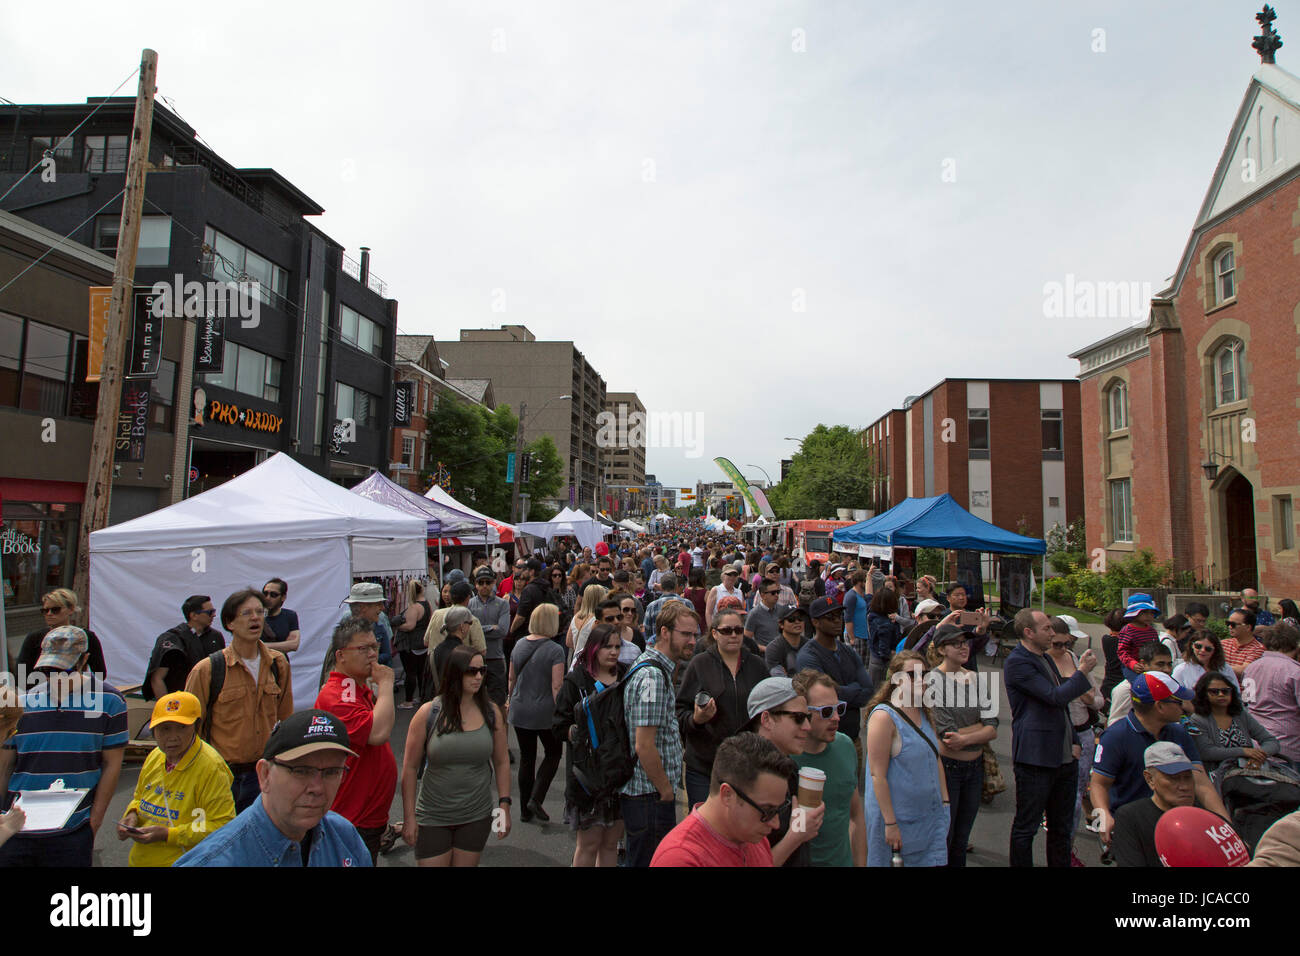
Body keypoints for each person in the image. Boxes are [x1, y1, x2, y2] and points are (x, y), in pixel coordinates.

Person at [175, 709, 371, 867]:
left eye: (331, 772)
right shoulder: (215, 860)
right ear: (264, 775)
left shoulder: (345, 837)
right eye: (301, 771)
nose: (317, 787)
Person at [0, 626, 127, 866]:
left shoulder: (110, 702)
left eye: (63, 669)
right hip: (17, 828)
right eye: (47, 669)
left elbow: (112, 764)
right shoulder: (22, 704)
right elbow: (5, 767)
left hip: (72, 831)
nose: (55, 677)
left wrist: (94, 823)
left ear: (85, 660)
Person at [185, 588, 293, 813]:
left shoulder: (277, 664)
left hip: (265, 774)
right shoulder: (207, 670)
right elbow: (190, 728)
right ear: (229, 623)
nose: (255, 618)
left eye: (260, 612)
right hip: (222, 775)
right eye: (246, 613)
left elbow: (285, 720)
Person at [401, 646, 511, 866]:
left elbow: (501, 761)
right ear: (455, 673)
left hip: (476, 814)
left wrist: (504, 807)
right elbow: (410, 768)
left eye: (482, 670)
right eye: (471, 671)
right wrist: (409, 817)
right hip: (433, 814)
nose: (478, 676)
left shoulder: (491, 713)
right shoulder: (428, 713)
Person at [1091, 672, 1229, 847]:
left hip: (1175, 826)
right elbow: (1099, 784)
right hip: (1132, 830)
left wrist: (1226, 825)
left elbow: (1201, 782)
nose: (1184, 707)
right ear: (1160, 706)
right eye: (1178, 702)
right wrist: (1104, 816)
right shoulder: (1115, 737)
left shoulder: (1179, 732)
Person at [1003, 608, 1097, 867]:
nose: (1052, 633)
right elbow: (1054, 697)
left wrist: (1075, 741)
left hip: (1064, 757)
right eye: (1046, 629)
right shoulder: (1018, 662)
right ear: (1028, 632)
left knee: (1061, 827)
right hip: (1036, 758)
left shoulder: (1046, 658)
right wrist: (1083, 671)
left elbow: (1062, 707)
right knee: (1027, 826)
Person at [620, 602, 699, 866]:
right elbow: (644, 745)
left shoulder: (657, 667)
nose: (692, 641)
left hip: (649, 794)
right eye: (685, 634)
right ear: (665, 632)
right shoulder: (653, 676)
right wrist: (665, 790)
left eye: (695, 635)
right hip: (648, 795)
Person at [314, 617, 398, 865]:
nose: (373, 654)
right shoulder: (338, 695)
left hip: (366, 817)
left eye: (375, 646)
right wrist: (386, 683)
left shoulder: (354, 687)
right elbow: (378, 732)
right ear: (340, 655)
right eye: (363, 649)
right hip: (352, 818)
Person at [117, 691, 235, 866]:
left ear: (196, 726)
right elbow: (139, 797)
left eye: (181, 727)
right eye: (164, 728)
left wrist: (168, 834)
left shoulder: (211, 767)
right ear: (153, 730)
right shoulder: (155, 756)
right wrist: (132, 814)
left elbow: (222, 825)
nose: (172, 737)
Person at [650, 733, 796, 867]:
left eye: (779, 810)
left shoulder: (753, 836)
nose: (775, 824)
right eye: (767, 811)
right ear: (728, 795)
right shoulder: (680, 859)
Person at [676, 607, 770, 808]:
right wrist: (696, 720)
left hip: (747, 765)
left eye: (738, 630)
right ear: (714, 633)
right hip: (705, 766)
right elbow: (680, 712)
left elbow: (770, 709)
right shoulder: (699, 665)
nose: (734, 635)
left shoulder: (757, 665)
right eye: (727, 630)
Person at [863, 651, 950, 866]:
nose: (922, 680)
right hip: (899, 822)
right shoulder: (884, 716)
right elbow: (877, 776)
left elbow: (935, 757)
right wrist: (890, 824)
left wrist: (945, 802)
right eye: (912, 674)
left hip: (928, 819)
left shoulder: (923, 710)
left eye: (925, 674)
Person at [553, 624, 627, 866]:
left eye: (617, 646)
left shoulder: (627, 675)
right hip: (588, 777)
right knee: (588, 845)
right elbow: (559, 724)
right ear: (594, 648)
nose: (613, 652)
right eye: (607, 646)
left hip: (619, 773)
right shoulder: (577, 680)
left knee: (610, 845)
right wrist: (579, 733)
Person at [930, 627, 998, 866]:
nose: (963, 647)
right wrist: (980, 729)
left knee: (961, 839)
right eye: (955, 643)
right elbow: (947, 733)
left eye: (965, 642)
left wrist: (968, 736)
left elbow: (993, 725)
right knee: (944, 839)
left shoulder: (976, 678)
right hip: (948, 769)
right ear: (941, 649)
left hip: (975, 769)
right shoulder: (932, 681)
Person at [792, 669, 867, 866]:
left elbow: (855, 815)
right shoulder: (785, 757)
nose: (836, 718)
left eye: (838, 709)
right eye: (826, 712)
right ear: (803, 713)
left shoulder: (845, 746)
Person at [745, 676, 823, 866]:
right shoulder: (747, 778)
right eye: (798, 718)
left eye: (808, 717)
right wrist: (796, 837)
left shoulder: (788, 767)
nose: (807, 727)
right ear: (766, 719)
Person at [1047, 615, 1105, 866]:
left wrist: (1088, 696)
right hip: (1057, 737)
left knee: (1075, 799)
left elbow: (1099, 700)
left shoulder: (1073, 659)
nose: (1063, 649)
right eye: (1057, 644)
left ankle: (1066, 851)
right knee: (1056, 798)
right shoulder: (1042, 663)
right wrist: (1080, 685)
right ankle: (1058, 849)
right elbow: (1052, 699)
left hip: (1083, 734)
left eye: (1067, 644)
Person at [796, 597, 873, 783]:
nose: (837, 620)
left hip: (853, 740)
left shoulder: (848, 651)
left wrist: (842, 691)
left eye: (839, 615)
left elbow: (868, 690)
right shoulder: (808, 656)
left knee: (848, 794)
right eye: (830, 617)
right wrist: (853, 688)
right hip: (821, 742)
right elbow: (824, 696)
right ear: (815, 622)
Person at [508, 604, 567, 823]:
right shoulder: (555, 650)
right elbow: (557, 686)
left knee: (527, 758)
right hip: (544, 711)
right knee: (553, 753)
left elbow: (512, 678)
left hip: (520, 707)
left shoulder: (519, 644)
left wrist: (510, 698)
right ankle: (536, 797)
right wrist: (561, 713)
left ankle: (525, 809)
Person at [1110, 742, 1208, 867]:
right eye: (1174, 778)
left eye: (1188, 777)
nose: (1185, 786)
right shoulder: (1131, 817)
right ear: (1150, 779)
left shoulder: (1205, 818)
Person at [1187, 672, 1279, 777]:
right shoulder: (1198, 719)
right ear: (1204, 694)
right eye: (1214, 692)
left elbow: (1271, 741)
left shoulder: (1240, 714)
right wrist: (1243, 752)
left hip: (1250, 771)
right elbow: (1206, 752)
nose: (1221, 694)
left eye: (1225, 691)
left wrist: (1259, 755)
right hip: (1219, 775)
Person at [13, 588, 107, 685]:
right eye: (45, 610)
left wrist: (79, 683)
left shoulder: (86, 637)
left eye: (55, 610)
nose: (49, 614)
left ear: (71, 609)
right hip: (41, 693)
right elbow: (20, 676)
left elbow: (100, 674)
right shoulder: (34, 638)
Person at [1241, 623, 1300, 767]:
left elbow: (1246, 702)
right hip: (1288, 748)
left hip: (1255, 744)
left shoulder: (1252, 668)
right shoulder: (1295, 672)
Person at [144, 594, 224, 700]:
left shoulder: (216, 637)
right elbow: (157, 678)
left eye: (214, 611)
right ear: (194, 615)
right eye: (210, 612)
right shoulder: (172, 639)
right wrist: (167, 709)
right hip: (180, 703)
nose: (214, 615)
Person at [1107, 640, 1174, 728]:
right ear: (1143, 664)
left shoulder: (1169, 686)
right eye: (1160, 664)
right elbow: (1115, 726)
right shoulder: (1126, 690)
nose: (1167, 670)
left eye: (1169, 664)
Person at [470, 568, 511, 708]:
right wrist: (490, 628)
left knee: (498, 702)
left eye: (488, 582)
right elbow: (468, 630)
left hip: (496, 658)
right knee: (474, 701)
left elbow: (503, 630)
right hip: (475, 659)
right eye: (481, 582)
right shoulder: (470, 604)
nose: (484, 585)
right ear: (476, 584)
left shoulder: (503, 604)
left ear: (493, 583)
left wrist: (478, 629)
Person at [393, 579, 433, 707]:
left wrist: (397, 627)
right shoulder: (427, 604)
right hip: (423, 643)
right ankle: (422, 697)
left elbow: (410, 626)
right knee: (421, 672)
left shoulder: (414, 607)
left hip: (411, 644)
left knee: (410, 672)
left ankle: (408, 701)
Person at [1171, 629, 1239, 695]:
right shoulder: (1181, 670)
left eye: (1208, 649)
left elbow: (1236, 693)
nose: (1202, 650)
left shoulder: (1225, 669)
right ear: (1192, 645)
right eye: (1198, 646)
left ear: (1215, 650)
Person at [866, 585, 905, 690]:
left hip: (873, 658)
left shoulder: (872, 614)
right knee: (880, 693)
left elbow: (868, 595)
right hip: (881, 665)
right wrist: (895, 654)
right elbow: (884, 651)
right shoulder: (885, 625)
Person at [1117, 593, 1162, 680]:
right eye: (1144, 612)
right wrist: (1132, 664)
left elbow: (1157, 649)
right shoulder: (1127, 630)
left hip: (1151, 665)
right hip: (1133, 667)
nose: (1149, 616)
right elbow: (1122, 651)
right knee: (1138, 685)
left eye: (1152, 613)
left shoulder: (1152, 631)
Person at [433, 606, 476, 689]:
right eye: (470, 623)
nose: (470, 626)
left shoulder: (435, 651)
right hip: (455, 699)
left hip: (435, 699)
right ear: (462, 626)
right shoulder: (464, 654)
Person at [643, 574, 691, 644]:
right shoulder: (687, 604)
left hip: (659, 647)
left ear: (661, 587)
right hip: (682, 646)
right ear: (676, 586)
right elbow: (695, 629)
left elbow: (647, 632)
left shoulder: (652, 606)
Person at [567, 584, 608, 665]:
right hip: (589, 663)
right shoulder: (597, 620)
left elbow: (568, 642)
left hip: (575, 662)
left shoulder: (576, 616)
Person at [744, 578, 787, 654]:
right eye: (773, 593)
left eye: (778, 592)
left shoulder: (782, 610)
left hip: (783, 653)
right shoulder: (754, 614)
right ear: (763, 595)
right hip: (764, 656)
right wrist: (766, 649)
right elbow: (747, 640)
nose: (776, 595)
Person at [260, 578, 301, 654]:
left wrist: (260, 646)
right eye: (265, 594)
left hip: (280, 663)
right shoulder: (255, 616)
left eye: (273, 595)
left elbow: (294, 645)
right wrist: (282, 646)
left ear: (283, 597)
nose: (268, 598)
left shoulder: (290, 616)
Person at [1222, 607, 1264, 682]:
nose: (1229, 627)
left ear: (1248, 627)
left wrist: (1217, 666)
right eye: (1228, 623)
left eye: (1233, 624)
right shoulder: (1223, 644)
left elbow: (1244, 671)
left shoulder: (1258, 649)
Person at [766, 605, 809, 677]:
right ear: (781, 624)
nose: (797, 622)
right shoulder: (773, 648)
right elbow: (779, 679)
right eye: (791, 619)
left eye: (800, 618)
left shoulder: (809, 645)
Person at [705, 565, 746, 629]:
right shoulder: (716, 590)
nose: (732, 577)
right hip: (719, 628)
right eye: (729, 574)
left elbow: (742, 612)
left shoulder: (739, 592)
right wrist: (711, 630)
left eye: (735, 575)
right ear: (723, 576)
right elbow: (708, 612)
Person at [843, 570, 872, 660]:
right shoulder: (851, 596)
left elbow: (870, 594)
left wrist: (870, 574)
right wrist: (852, 638)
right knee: (855, 664)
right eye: (865, 581)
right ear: (860, 582)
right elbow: (848, 618)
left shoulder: (861, 595)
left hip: (863, 635)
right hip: (855, 635)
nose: (866, 583)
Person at [615, 594, 646, 665]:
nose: (630, 613)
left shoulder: (637, 634)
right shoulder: (607, 634)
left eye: (633, 610)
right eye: (626, 610)